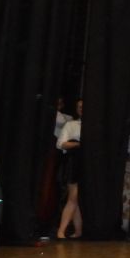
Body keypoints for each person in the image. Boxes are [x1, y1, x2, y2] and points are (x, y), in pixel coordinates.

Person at [56, 98, 83, 239]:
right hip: (74, 164)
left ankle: (78, 231)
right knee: (73, 197)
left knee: (76, 200)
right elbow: (60, 144)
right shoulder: (71, 125)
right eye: (79, 106)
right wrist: (78, 144)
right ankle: (61, 231)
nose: (81, 109)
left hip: (86, 164)